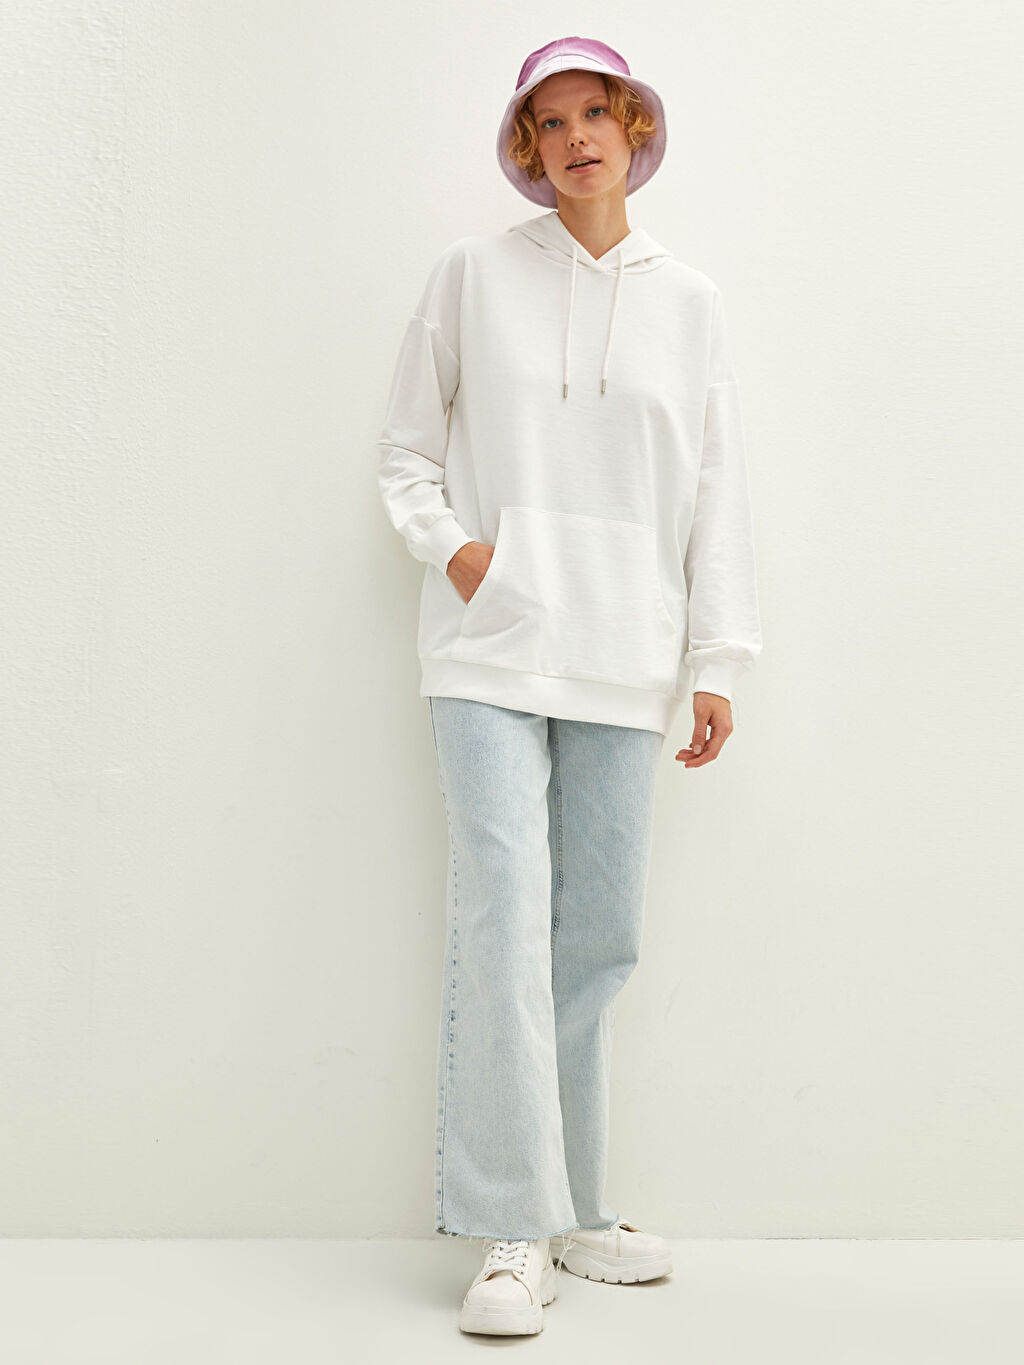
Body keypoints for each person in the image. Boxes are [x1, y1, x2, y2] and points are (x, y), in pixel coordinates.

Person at [376, 35, 762, 1336]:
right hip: (488, 647)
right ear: (527, 147)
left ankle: (577, 1203)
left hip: (625, 652)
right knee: (503, 917)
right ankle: (510, 1224)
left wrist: (715, 658)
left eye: (598, 111)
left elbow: (716, 489)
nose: (577, 136)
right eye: (551, 121)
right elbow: (404, 452)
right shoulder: (472, 274)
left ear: (635, 129)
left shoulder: (690, 302)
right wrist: (463, 556)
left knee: (598, 934)